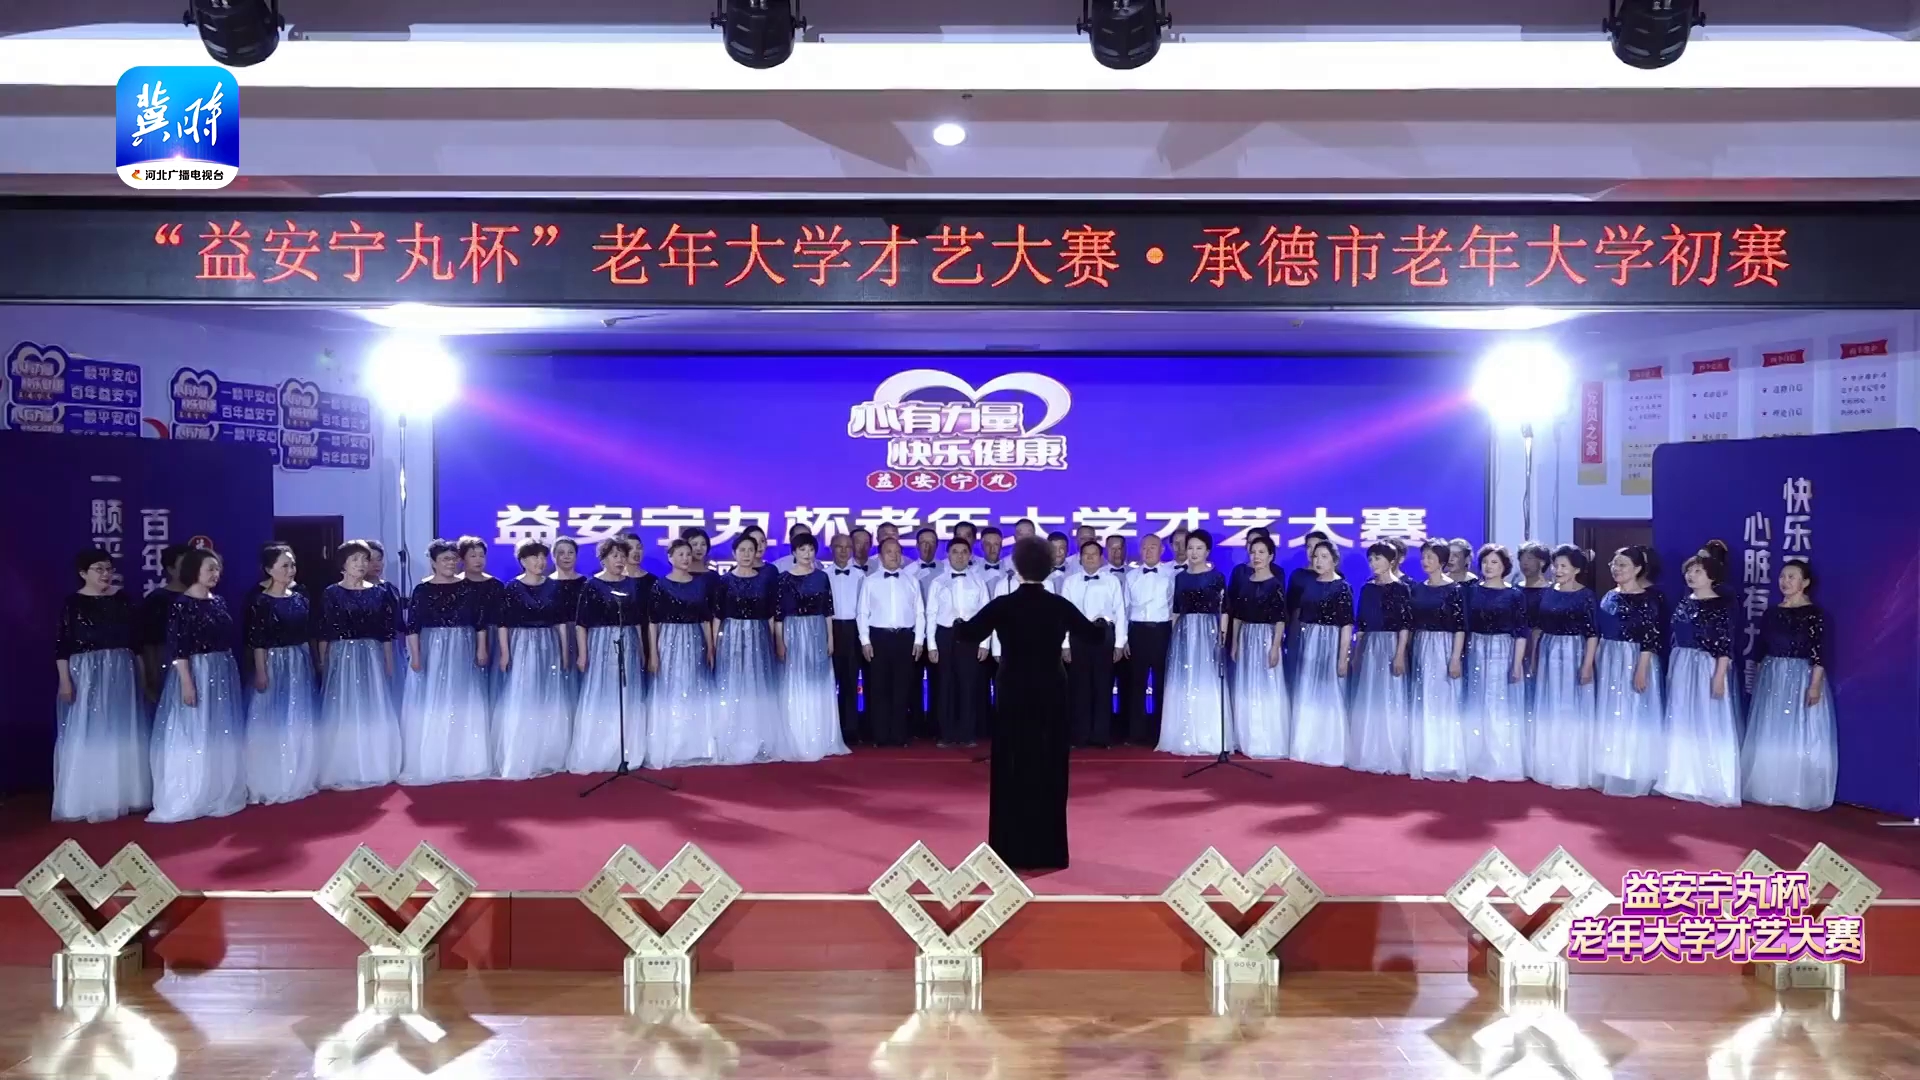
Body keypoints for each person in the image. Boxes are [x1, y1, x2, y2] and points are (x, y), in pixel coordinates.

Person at [953, 537, 1102, 872]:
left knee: (1012, 764)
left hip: (1013, 690)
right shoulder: (1059, 605)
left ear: (1017, 568)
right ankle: (1049, 851)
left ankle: (1008, 850)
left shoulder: (1004, 605)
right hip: (1051, 690)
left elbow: (967, 634)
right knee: (1049, 765)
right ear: (1048, 568)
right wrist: (1103, 623)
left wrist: (959, 623)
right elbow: (1094, 636)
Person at [149, 547, 247, 822]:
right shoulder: (181, 604)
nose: (215, 574)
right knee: (194, 729)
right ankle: (191, 791)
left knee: (219, 729)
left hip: (222, 669)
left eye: (217, 569)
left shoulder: (219, 601)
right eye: (209, 569)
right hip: (195, 671)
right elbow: (177, 648)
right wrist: (187, 682)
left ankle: (217, 788)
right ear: (194, 571)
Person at [52, 547, 150, 823]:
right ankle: (89, 797)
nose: (106, 574)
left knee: (122, 727)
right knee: (89, 730)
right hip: (86, 672)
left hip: (121, 669)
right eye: (99, 569)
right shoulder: (73, 603)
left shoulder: (123, 600)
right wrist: (65, 681)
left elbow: (137, 644)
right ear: (83, 573)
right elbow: (62, 646)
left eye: (109, 569)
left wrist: (142, 676)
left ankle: (126, 793)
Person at [1740, 558, 1836, 810]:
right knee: (1770, 729)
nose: (1785, 581)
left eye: (1792, 577)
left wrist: (1814, 685)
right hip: (1772, 674)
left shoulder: (1814, 615)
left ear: (1805, 582)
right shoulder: (1771, 613)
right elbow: (1760, 649)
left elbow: (1820, 654)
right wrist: (1759, 679)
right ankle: (1767, 786)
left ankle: (1795, 789)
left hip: (1801, 675)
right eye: (1782, 576)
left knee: (1798, 730)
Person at [399, 540, 492, 785]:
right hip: (433, 648)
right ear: (433, 562)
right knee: (435, 699)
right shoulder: (422, 589)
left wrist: (481, 648)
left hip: (463, 646)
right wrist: (415, 657)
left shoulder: (468, 588)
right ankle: (434, 758)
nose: (450, 563)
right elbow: (413, 626)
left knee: (464, 699)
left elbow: (480, 623)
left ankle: (464, 760)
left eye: (453, 559)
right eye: (445, 559)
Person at [315, 540, 405, 790]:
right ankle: (344, 766)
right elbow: (325, 630)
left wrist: (388, 662)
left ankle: (374, 764)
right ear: (343, 564)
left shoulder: (379, 592)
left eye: (365, 559)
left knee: (372, 707)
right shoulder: (331, 593)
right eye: (355, 559)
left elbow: (386, 632)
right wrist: (323, 661)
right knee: (343, 708)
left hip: (372, 654)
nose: (362, 564)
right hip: (342, 655)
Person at [1656, 552, 1742, 807]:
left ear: (1711, 577)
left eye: (1698, 572)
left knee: (1707, 719)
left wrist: (1719, 676)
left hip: (1706, 665)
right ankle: (1681, 779)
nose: (1691, 576)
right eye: (1689, 571)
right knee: (1681, 717)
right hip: (1682, 662)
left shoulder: (1720, 606)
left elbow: (1725, 645)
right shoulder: (1685, 601)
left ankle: (1711, 781)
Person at [566, 538, 654, 775]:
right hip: (602, 644)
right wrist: (583, 654)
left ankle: (627, 751)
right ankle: (601, 750)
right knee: (604, 694)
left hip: (629, 642)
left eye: (623, 555)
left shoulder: (632, 585)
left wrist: (642, 651)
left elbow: (638, 622)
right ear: (603, 559)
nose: (620, 560)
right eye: (615, 556)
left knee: (627, 695)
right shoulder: (592, 585)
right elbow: (581, 623)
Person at [244, 543, 320, 804]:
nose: (290, 570)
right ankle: (271, 777)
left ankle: (298, 773)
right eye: (284, 565)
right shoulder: (261, 602)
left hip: (299, 661)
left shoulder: (300, 598)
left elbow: (308, 634)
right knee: (272, 718)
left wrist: (312, 661)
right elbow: (257, 641)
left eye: (293, 565)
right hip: (274, 663)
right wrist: (261, 672)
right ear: (269, 569)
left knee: (298, 717)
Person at [492, 540, 572, 779]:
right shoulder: (512, 588)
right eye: (534, 557)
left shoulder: (554, 587)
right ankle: (522, 754)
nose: (540, 562)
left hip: (548, 644)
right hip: (522, 644)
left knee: (549, 696)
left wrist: (564, 652)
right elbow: (503, 623)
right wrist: (505, 653)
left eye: (542, 557)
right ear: (522, 561)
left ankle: (548, 755)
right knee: (524, 696)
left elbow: (560, 622)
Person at [1593, 545, 1667, 798]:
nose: (1616, 569)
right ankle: (1610, 766)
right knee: (1611, 711)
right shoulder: (1608, 596)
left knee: (1633, 711)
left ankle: (1633, 769)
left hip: (1634, 658)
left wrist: (1641, 669)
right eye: (1614, 564)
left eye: (1623, 564)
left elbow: (1650, 638)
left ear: (1637, 569)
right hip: (1609, 656)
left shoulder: (1648, 599)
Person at [1528, 545, 1600, 790]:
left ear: (1576, 569)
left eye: (1563, 566)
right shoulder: (1548, 592)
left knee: (1571, 707)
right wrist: (1535, 657)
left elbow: (1592, 634)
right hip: (1549, 650)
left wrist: (1587, 665)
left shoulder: (1586, 595)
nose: (1557, 570)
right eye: (1556, 565)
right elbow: (1538, 628)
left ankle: (1571, 767)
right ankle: (1548, 764)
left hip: (1574, 651)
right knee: (1550, 704)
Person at [773, 534, 848, 761]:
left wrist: (830, 639)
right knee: (795, 682)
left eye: (811, 549)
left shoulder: (822, 577)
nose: (807, 554)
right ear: (794, 553)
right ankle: (797, 738)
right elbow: (778, 616)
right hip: (792, 632)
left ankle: (820, 736)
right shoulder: (783, 579)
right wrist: (780, 642)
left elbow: (827, 611)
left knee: (818, 682)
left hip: (817, 632)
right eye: (802, 549)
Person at [1156, 530, 1229, 756]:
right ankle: (1183, 734)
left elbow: (1225, 609)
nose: (1194, 553)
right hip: (1184, 633)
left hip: (1208, 631)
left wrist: (1222, 635)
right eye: (1190, 548)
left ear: (1207, 551)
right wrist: (1172, 637)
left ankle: (1208, 735)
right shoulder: (1180, 578)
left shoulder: (1216, 577)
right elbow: (1176, 610)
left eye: (1199, 548)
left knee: (1206, 679)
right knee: (1184, 680)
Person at [647, 538, 718, 767]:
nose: (686, 558)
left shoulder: (700, 584)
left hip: (695, 639)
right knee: (672, 689)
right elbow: (653, 622)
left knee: (694, 688)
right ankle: (672, 745)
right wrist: (654, 653)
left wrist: (710, 647)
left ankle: (696, 745)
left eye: (688, 554)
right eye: (681, 554)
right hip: (669, 640)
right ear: (670, 558)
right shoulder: (660, 585)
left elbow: (706, 619)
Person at [1461, 544, 1529, 782]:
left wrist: (1517, 664)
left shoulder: (1515, 595)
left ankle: (1501, 760)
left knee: (1499, 703)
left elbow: (1521, 631)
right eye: (1485, 562)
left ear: (1504, 567)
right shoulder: (1471, 591)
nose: (1488, 567)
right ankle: (1475, 758)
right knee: (1476, 700)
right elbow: (1464, 626)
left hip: (1503, 650)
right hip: (1476, 649)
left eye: (1494, 562)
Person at [1347, 541, 1413, 775]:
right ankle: (1368, 751)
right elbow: (1362, 624)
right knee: (1369, 696)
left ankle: (1389, 752)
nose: (1373, 563)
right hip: (1369, 646)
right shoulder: (1367, 588)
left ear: (1391, 561)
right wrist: (1356, 652)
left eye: (1378, 559)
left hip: (1391, 644)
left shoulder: (1402, 589)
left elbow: (1405, 625)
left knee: (1390, 696)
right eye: (1371, 559)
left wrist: (1399, 654)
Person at [713, 534, 779, 764]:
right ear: (734, 553)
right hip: (731, 637)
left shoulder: (764, 580)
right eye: (742, 550)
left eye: (751, 550)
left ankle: (758, 739)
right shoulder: (724, 581)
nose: (747, 554)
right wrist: (715, 646)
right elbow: (717, 616)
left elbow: (770, 616)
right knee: (733, 684)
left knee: (756, 686)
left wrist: (774, 642)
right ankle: (730, 739)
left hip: (759, 637)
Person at [1407, 539, 1468, 782]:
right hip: (1421, 646)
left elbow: (1460, 627)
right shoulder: (1417, 589)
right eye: (1423, 557)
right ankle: (1423, 757)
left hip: (1444, 647)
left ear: (1442, 561)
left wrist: (1455, 659)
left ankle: (1445, 758)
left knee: (1443, 701)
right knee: (1422, 700)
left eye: (1430, 557)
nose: (1425, 562)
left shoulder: (1454, 590)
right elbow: (1411, 624)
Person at [1290, 539, 1353, 767]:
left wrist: (1343, 657)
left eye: (1324, 557)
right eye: (1316, 556)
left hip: (1331, 642)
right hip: (1309, 641)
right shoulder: (1309, 584)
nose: (1318, 561)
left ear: (1335, 560)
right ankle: (1307, 744)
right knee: (1308, 691)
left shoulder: (1342, 587)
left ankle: (1329, 747)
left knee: (1330, 693)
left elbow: (1346, 624)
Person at [857, 536, 925, 747]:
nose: (894, 556)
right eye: (889, 552)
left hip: (905, 638)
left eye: (897, 552)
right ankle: (880, 736)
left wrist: (919, 640)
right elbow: (862, 613)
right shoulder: (870, 581)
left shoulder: (912, 581)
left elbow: (920, 612)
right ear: (880, 556)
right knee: (879, 688)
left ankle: (900, 735)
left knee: (902, 688)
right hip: (879, 638)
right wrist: (865, 641)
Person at [1226, 535, 1290, 759]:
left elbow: (1280, 619)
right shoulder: (1245, 582)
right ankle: (1246, 737)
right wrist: (1235, 643)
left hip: (1265, 638)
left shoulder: (1275, 585)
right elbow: (1237, 616)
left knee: (1266, 686)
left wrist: (1275, 647)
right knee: (1246, 686)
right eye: (1253, 552)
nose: (1256, 556)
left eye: (1262, 552)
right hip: (1246, 638)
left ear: (1271, 556)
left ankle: (1266, 739)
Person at [1060, 539, 1127, 749]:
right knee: (1079, 687)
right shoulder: (1070, 582)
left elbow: (1120, 612)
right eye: (1086, 555)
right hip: (1078, 634)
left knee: (1103, 685)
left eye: (1094, 554)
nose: (1090, 558)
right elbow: (1064, 615)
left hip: (1103, 633)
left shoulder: (1112, 581)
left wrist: (1119, 643)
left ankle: (1101, 736)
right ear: (1080, 558)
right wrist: (1065, 645)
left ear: (1101, 558)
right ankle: (1079, 736)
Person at [927, 536, 993, 747]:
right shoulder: (938, 582)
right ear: (948, 555)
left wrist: (984, 644)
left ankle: (967, 734)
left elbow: (986, 614)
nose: (960, 556)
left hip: (970, 636)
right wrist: (931, 645)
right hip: (945, 634)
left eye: (964, 552)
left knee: (968, 686)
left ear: (970, 555)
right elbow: (930, 614)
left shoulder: (978, 581)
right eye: (955, 552)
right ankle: (945, 734)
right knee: (945, 685)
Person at [1123, 533, 1174, 747]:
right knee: (1137, 683)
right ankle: (1136, 733)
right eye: (1144, 547)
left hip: (1162, 631)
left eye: (1153, 547)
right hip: (1138, 632)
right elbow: (1125, 609)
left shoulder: (1172, 575)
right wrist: (1124, 639)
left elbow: (1175, 608)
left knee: (1162, 683)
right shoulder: (1131, 576)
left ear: (1162, 550)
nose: (1148, 551)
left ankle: (1160, 733)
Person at [824, 533, 867, 745]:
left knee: (851, 681)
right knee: (829, 681)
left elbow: (864, 608)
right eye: (839, 547)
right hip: (830, 630)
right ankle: (830, 729)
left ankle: (850, 730)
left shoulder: (861, 576)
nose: (843, 551)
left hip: (853, 630)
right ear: (831, 548)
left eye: (847, 547)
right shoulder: (823, 575)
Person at [551, 537, 588, 714]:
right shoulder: (546, 583)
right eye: (561, 553)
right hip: (554, 637)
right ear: (553, 556)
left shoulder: (586, 583)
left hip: (581, 635)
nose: (566, 556)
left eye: (571, 552)